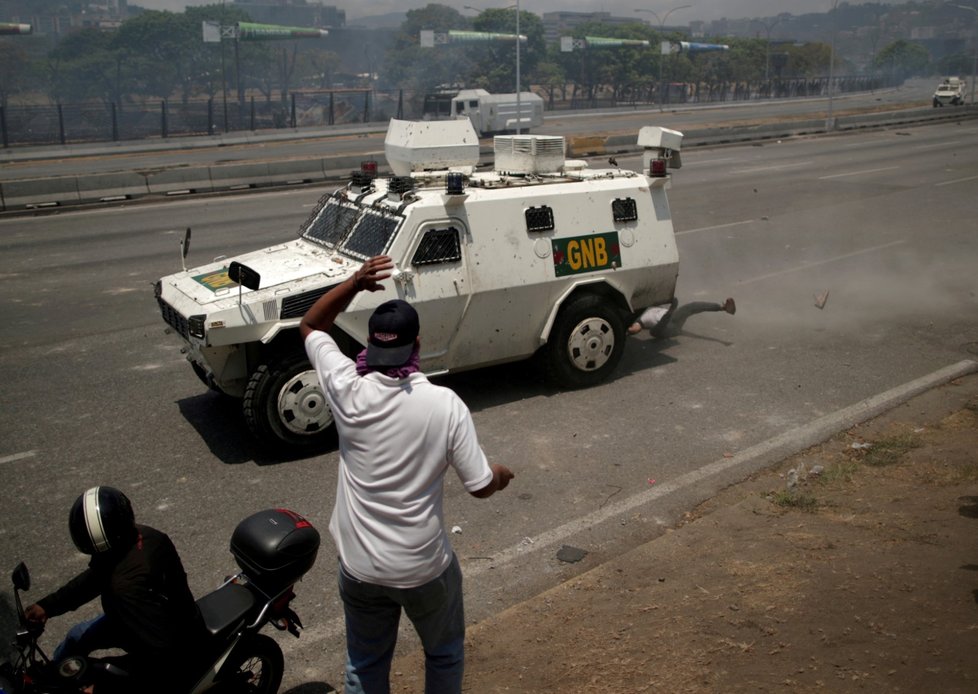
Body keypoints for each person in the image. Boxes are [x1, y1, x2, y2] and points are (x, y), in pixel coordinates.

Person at [300, 255, 515, 694]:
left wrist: (355, 283)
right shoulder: (443, 403)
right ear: (416, 345)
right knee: (443, 653)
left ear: (370, 346)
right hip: (422, 568)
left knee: (364, 664)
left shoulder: (346, 387)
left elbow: (311, 326)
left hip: (359, 566)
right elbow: (479, 486)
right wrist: (501, 473)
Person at [25, 486, 205, 692]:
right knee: (77, 636)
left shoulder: (125, 588)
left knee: (91, 671)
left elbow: (161, 654)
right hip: (147, 618)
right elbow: (94, 578)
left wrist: (102, 685)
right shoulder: (145, 536)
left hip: (166, 645)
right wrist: (48, 606)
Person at [628, 296, 736, 339]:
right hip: (667, 328)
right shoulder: (640, 318)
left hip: (675, 319)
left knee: (692, 307)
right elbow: (635, 329)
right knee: (654, 332)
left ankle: (723, 308)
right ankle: (669, 313)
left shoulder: (650, 304)